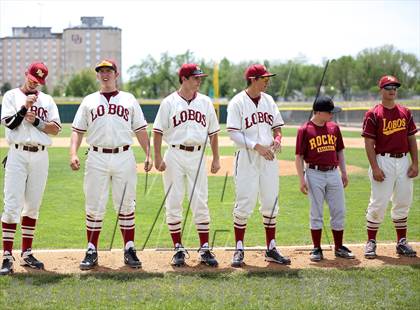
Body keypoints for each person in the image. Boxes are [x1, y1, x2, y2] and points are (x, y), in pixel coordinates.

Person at [70, 59, 152, 270]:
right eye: (101, 71)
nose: (105, 74)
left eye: (109, 71)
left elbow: (141, 130)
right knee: (94, 205)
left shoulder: (129, 99)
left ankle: (129, 249)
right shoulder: (89, 101)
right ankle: (91, 250)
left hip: (124, 155)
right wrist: (73, 153)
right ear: (97, 75)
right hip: (96, 156)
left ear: (117, 74)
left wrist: (149, 154)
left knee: (126, 204)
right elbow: (77, 130)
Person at [153, 63, 220, 267]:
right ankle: (178, 249)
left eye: (200, 77)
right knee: (174, 202)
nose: (199, 80)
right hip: (174, 153)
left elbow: (214, 132)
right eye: (195, 77)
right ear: (183, 79)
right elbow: (157, 131)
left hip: (198, 156)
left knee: (201, 201)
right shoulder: (169, 102)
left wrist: (216, 158)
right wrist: (157, 157)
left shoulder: (206, 102)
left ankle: (205, 249)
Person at [0, 62, 61, 275]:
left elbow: (56, 129)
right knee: (12, 205)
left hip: (40, 156)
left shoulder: (48, 100)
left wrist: (37, 123)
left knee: (33, 205)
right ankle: (7, 255)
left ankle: (26, 253)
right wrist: (25, 106)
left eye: (39, 81)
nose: (35, 83)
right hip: (17, 153)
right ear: (26, 74)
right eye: (33, 78)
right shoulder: (11, 96)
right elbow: (9, 124)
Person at [226, 64, 290, 267]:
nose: (267, 80)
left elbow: (277, 127)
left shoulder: (269, 100)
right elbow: (233, 132)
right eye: (264, 78)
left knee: (271, 201)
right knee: (244, 202)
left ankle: (271, 247)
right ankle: (239, 248)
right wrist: (256, 146)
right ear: (253, 79)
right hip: (246, 157)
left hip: (269, 157)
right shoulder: (237, 102)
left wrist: (278, 138)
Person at [362, 75, 418, 259]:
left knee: (403, 201)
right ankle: (371, 241)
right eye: (388, 87)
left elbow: (411, 139)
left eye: (394, 87)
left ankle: (401, 242)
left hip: (403, 161)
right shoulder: (373, 113)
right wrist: (375, 167)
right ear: (381, 90)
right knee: (379, 202)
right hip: (383, 160)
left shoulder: (405, 112)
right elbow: (369, 144)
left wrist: (415, 163)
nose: (392, 90)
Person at [295, 96, 355, 262]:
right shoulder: (305, 130)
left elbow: (340, 151)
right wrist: (302, 179)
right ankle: (316, 248)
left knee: (339, 210)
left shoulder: (334, 128)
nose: (332, 115)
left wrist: (344, 172)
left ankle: (339, 247)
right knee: (316, 212)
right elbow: (299, 156)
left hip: (333, 172)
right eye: (329, 112)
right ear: (319, 112)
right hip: (314, 173)